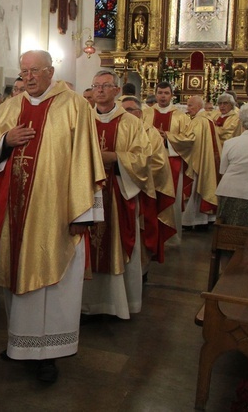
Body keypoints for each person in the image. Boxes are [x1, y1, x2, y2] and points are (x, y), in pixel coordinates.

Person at [0, 50, 104, 383]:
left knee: (55, 285)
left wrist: (83, 212)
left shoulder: (74, 106)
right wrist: (5, 143)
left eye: (35, 70)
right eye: (24, 72)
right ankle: (19, 343)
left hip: (56, 212)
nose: (29, 77)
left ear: (51, 71)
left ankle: (49, 354)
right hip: (15, 210)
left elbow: (86, 158)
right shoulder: (9, 108)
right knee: (17, 277)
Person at [82, 72, 150, 320]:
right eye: (96, 86)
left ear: (117, 91)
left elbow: (143, 160)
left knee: (114, 242)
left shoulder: (131, 123)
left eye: (105, 86)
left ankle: (114, 305)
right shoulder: (82, 119)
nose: (99, 90)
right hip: (85, 192)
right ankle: (85, 304)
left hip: (117, 193)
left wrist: (116, 158)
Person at [121, 96, 176, 270]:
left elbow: (158, 164)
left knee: (140, 233)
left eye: (129, 110)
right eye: (123, 110)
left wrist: (133, 173)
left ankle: (140, 270)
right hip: (118, 188)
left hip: (142, 190)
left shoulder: (149, 132)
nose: (126, 114)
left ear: (139, 112)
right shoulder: (119, 128)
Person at [143, 82, 190, 243]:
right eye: (160, 93)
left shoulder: (181, 116)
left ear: (172, 96)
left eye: (166, 93)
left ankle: (171, 236)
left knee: (171, 198)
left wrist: (167, 137)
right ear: (155, 94)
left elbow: (189, 139)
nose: (163, 96)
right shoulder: (146, 113)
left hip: (172, 162)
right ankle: (148, 234)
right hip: (150, 162)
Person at [167, 95, 222, 230]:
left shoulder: (198, 120)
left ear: (198, 106)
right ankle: (204, 219)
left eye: (190, 105)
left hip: (198, 160)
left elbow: (189, 140)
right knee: (204, 185)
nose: (188, 108)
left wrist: (168, 136)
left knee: (197, 187)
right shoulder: (208, 118)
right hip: (205, 159)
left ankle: (195, 221)